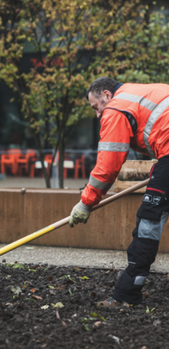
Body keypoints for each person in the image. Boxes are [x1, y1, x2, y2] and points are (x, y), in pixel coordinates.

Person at [69, 76, 169, 308]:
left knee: (148, 223)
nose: (97, 114)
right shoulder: (140, 93)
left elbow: (108, 165)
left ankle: (126, 295)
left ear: (106, 95)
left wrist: (86, 203)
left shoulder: (116, 106)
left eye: (96, 107)